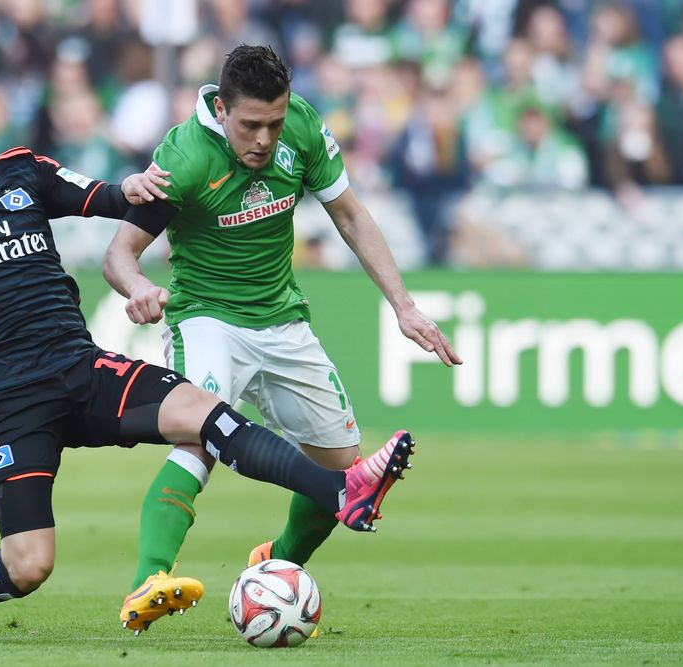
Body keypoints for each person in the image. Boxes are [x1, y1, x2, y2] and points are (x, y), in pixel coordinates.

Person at [0, 75, 412, 642]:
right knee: (29, 566)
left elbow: (102, 196)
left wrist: (132, 187)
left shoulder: (22, 173)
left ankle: (341, 491)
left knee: (206, 414)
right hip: (11, 405)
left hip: (82, 371)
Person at [103, 45, 461, 631]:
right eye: (251, 124)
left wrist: (403, 306)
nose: (264, 139)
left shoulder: (303, 126)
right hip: (207, 318)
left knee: (343, 473)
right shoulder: (185, 156)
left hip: (282, 318)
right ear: (221, 109)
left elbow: (350, 215)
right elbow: (120, 254)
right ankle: (149, 579)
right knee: (200, 436)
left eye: (274, 122)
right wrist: (138, 287)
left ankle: (278, 564)